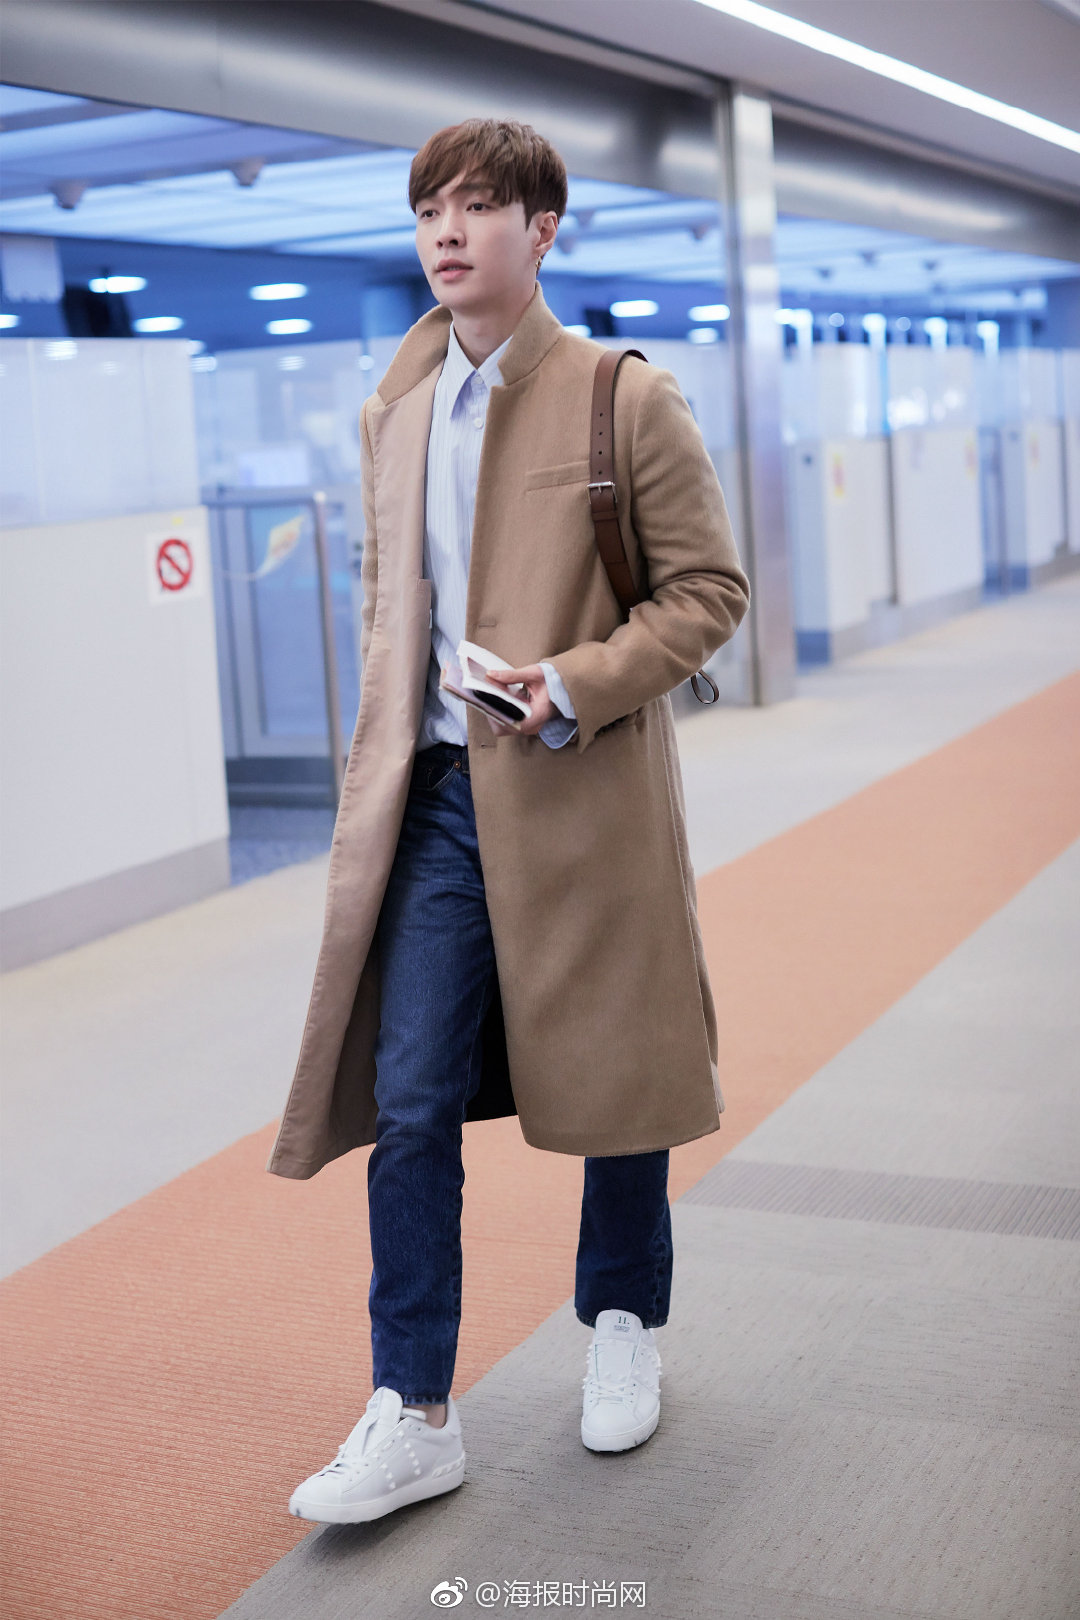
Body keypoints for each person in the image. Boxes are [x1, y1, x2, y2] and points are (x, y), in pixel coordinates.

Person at [269, 117, 751, 1525]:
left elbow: (708, 591)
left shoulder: (620, 396)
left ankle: (622, 1320)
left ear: (544, 231)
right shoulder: (401, 406)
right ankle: (413, 1406)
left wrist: (575, 682)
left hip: (579, 789)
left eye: (479, 206)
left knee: (615, 1069)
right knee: (411, 1098)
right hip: (436, 799)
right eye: (430, 206)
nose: (447, 230)